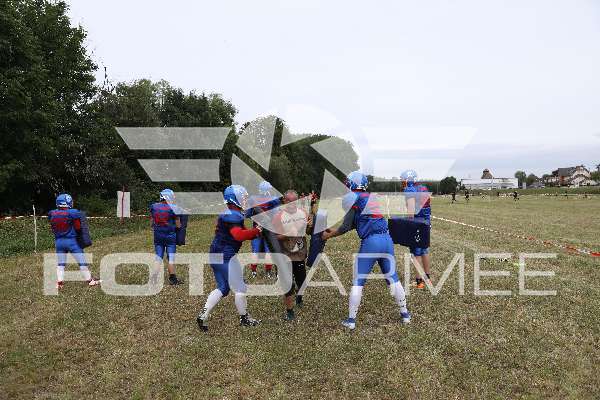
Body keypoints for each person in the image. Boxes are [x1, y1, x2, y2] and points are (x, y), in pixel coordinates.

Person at [321, 171, 410, 330]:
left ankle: (351, 320)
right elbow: (358, 222)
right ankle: (405, 314)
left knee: (359, 280)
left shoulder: (352, 198)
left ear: (352, 184)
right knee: (393, 278)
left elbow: (346, 226)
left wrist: (328, 235)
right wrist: (333, 231)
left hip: (371, 242)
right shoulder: (370, 197)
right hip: (386, 239)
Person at [197, 185, 262, 331]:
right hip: (225, 256)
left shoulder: (231, 213)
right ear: (234, 199)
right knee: (241, 287)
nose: (245, 200)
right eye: (242, 197)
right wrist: (255, 231)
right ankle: (244, 318)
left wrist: (255, 232)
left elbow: (243, 232)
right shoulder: (233, 214)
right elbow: (238, 235)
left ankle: (203, 314)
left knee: (224, 287)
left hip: (215, 254)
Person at [273, 190, 311, 321]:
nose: (292, 204)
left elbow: (309, 231)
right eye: (289, 201)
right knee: (287, 285)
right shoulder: (278, 217)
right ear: (284, 201)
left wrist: (310, 226)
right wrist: (287, 234)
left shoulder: (303, 213)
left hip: (299, 254)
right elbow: (273, 238)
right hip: (284, 255)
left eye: (295, 201)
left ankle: (299, 296)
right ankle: (289, 311)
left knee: (301, 281)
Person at [49, 194, 101, 289]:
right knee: (81, 262)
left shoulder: (53, 213)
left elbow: (53, 228)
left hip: (59, 242)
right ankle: (90, 281)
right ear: (67, 202)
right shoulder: (72, 213)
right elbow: (78, 227)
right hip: (71, 241)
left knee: (61, 263)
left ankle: (59, 283)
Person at [402, 170, 432, 289]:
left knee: (416, 253)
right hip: (426, 222)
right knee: (424, 250)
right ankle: (427, 278)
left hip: (416, 224)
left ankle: (419, 282)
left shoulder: (410, 190)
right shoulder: (423, 188)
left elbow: (411, 212)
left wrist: (406, 223)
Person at [247, 181, 280, 279]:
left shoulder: (253, 199)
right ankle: (268, 272)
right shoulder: (273, 199)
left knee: (255, 251)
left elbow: (247, 214)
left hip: (256, 228)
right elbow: (276, 213)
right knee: (268, 250)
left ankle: (253, 272)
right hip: (269, 228)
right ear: (267, 190)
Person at [150, 189, 183, 285]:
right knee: (171, 257)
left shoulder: (154, 206)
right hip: (170, 236)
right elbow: (178, 225)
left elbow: (151, 223)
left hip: (158, 235)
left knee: (158, 256)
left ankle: (154, 278)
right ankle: (172, 278)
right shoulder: (174, 208)